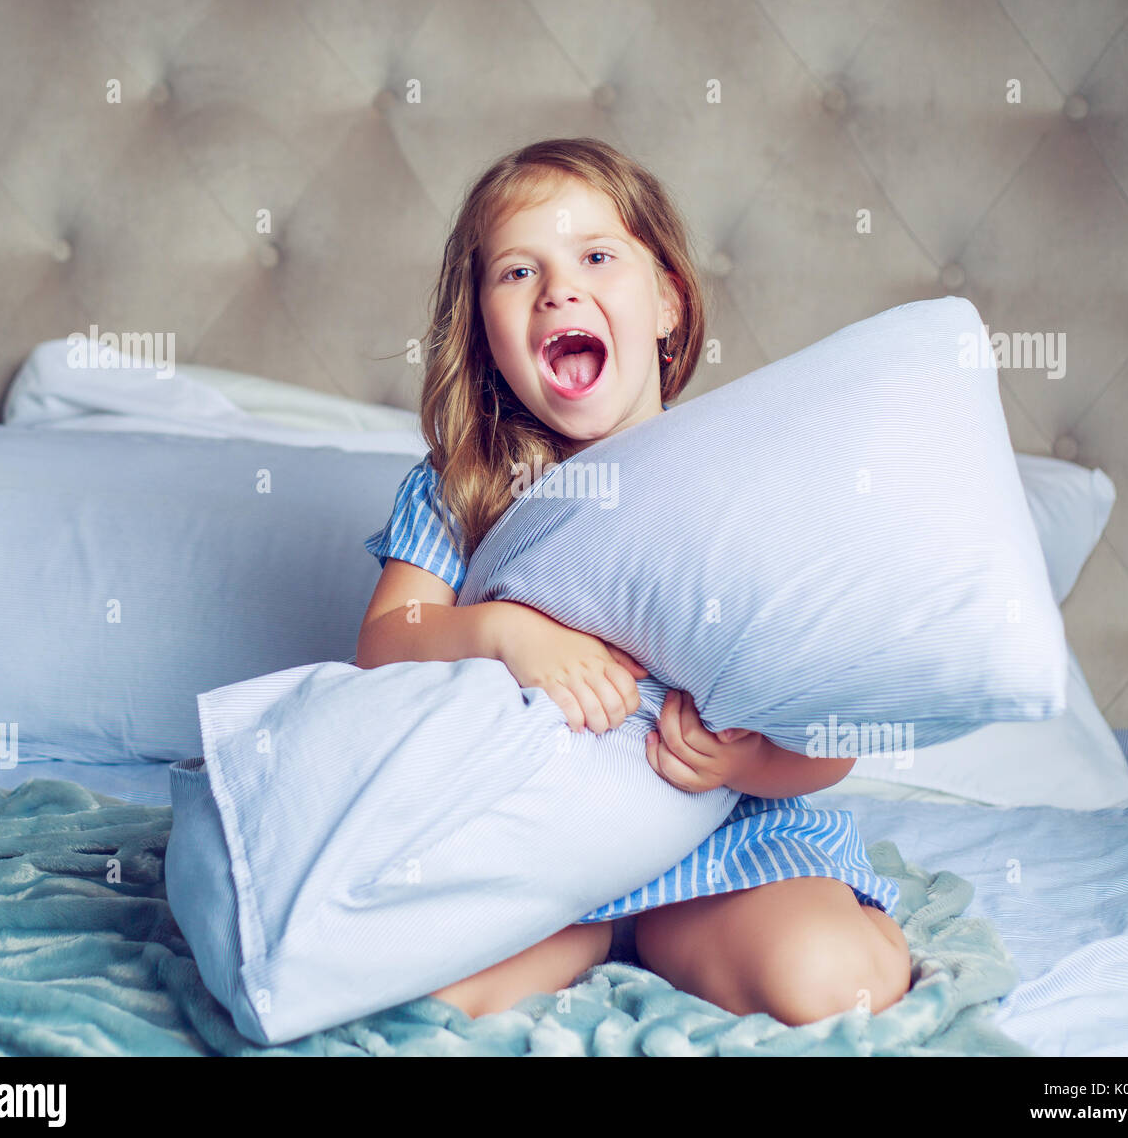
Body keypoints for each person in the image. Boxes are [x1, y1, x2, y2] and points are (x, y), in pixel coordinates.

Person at [356, 136, 911, 1025]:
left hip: (726, 831)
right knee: (409, 1003)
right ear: (484, 335)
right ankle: (593, 938)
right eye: (516, 273)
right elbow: (387, 642)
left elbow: (832, 729)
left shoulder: (737, 484)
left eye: (597, 257)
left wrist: (749, 761)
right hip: (536, 841)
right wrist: (505, 631)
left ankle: (833, 925)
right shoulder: (466, 481)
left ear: (668, 305)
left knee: (821, 980)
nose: (558, 290)